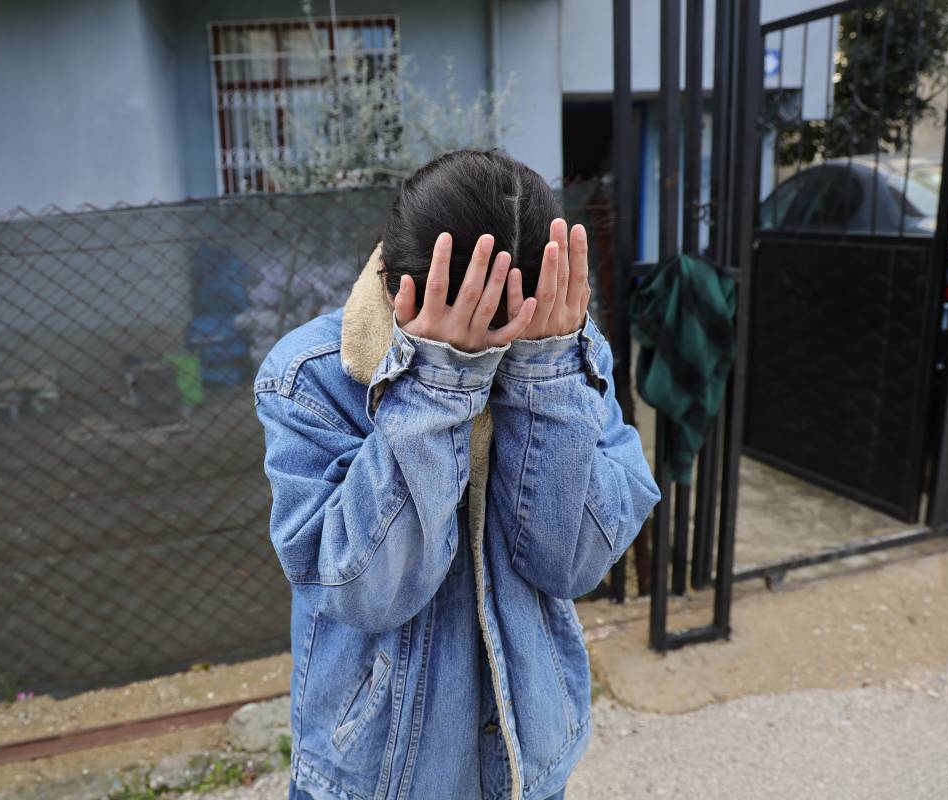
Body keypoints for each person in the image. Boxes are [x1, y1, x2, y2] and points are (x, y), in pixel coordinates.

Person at [253, 149, 661, 800]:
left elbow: (572, 565)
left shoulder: (566, 346)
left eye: (512, 336)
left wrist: (546, 374)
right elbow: (365, 592)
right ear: (392, 280)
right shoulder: (310, 376)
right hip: (374, 777)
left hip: (526, 760)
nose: (497, 350)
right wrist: (436, 387)